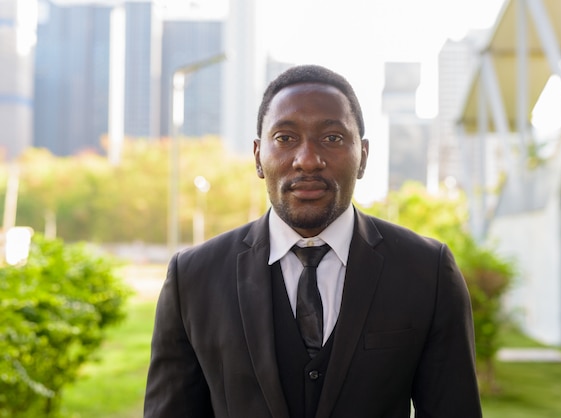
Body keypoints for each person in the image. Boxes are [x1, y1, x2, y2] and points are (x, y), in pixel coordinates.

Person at [144, 64, 482, 418]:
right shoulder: (193, 278)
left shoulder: (428, 272)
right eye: (285, 138)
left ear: (362, 156)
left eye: (332, 138)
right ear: (259, 157)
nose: (308, 160)